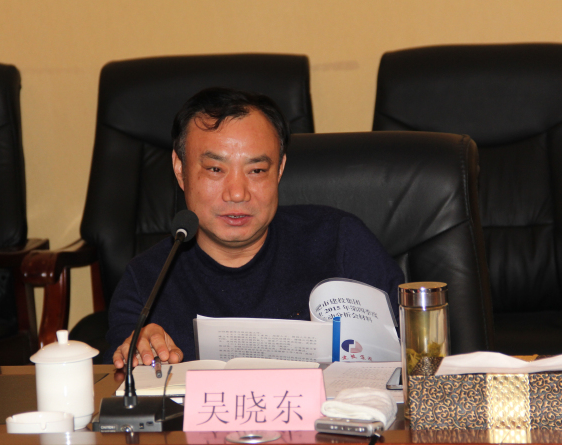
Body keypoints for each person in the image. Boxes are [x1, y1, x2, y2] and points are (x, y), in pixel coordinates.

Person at [107, 87, 404, 368]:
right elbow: (118, 384)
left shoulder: (340, 243)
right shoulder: (147, 282)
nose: (237, 193)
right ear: (180, 169)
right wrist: (139, 354)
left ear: (280, 170)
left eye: (257, 170)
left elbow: (413, 354)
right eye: (215, 169)